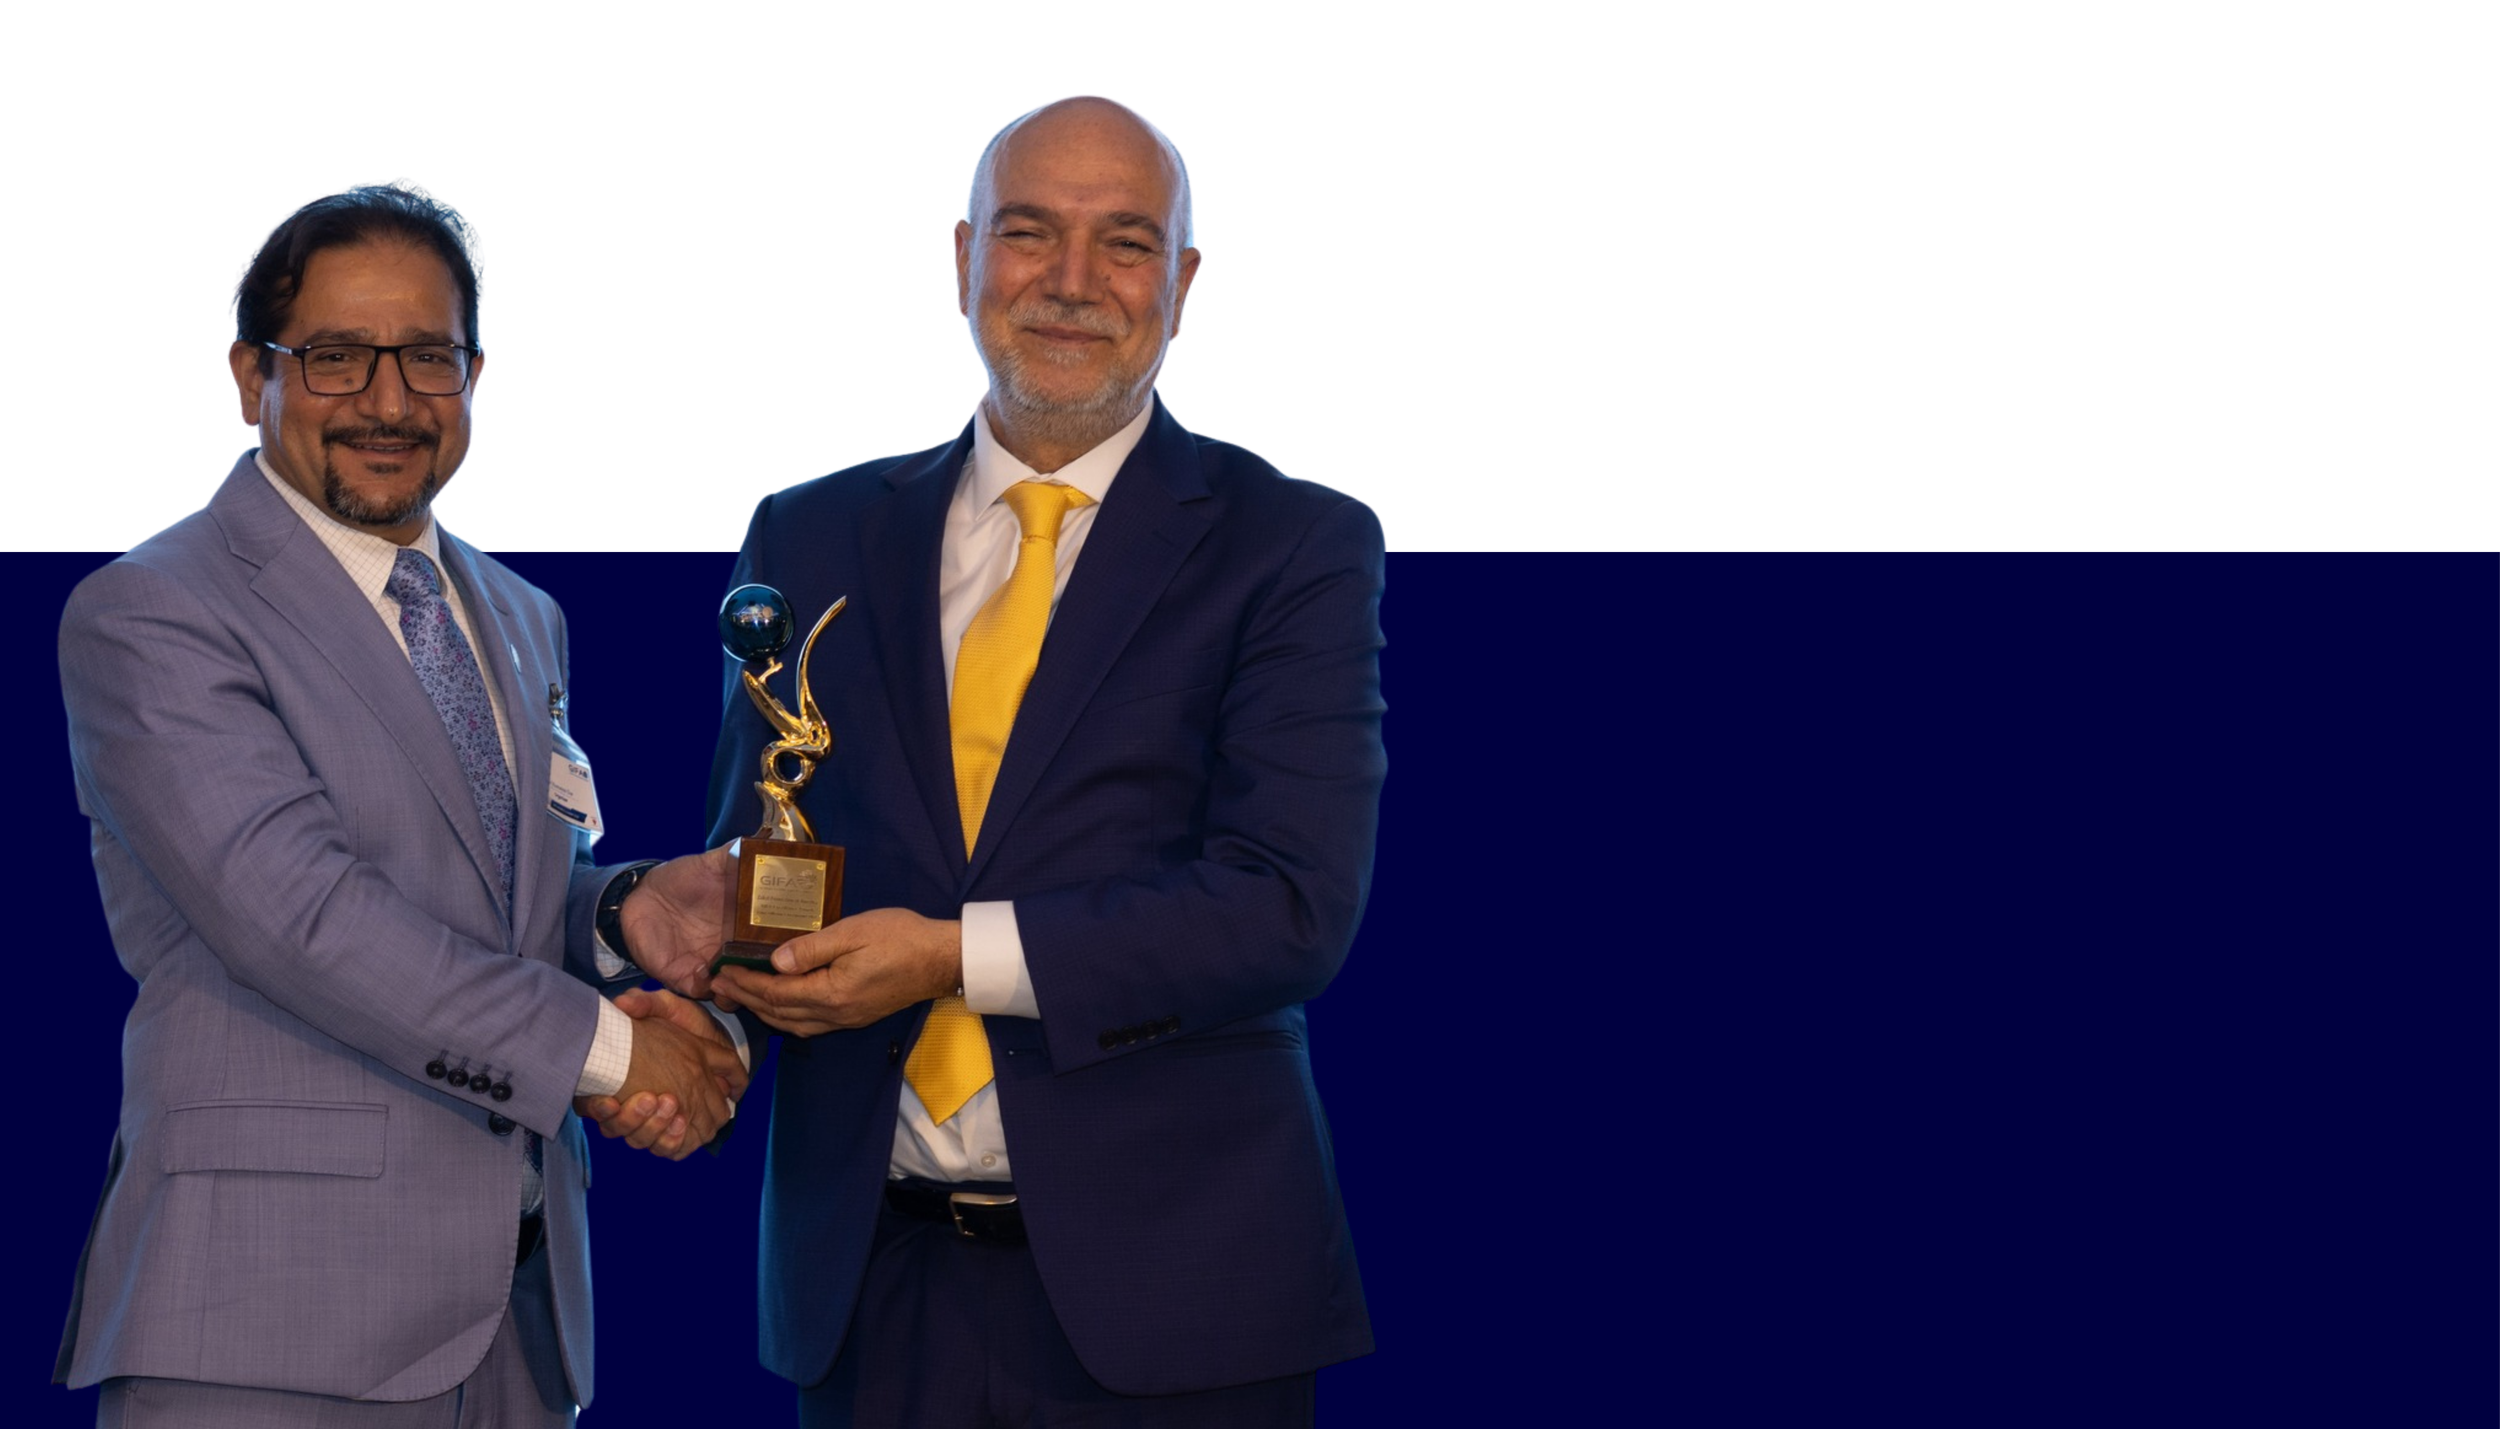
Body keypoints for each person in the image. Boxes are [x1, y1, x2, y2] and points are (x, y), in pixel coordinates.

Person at [596, 97, 1385, 1426]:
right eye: (1030, 233)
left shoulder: (1290, 545)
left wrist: (951, 957)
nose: (1072, 282)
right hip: (868, 1299)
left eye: (1124, 243)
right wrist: (702, 1020)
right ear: (965, 256)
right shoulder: (812, 532)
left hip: (1181, 1307)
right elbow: (762, 870)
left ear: (1181, 285)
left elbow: (1287, 907)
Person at [54, 184, 746, 1427]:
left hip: (517, 1321)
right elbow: (305, 919)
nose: (387, 401)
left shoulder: (521, 617)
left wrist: (626, 910)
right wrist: (614, 1051)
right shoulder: (153, 613)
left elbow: (477, 895)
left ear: (473, 373)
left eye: (428, 359)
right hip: (269, 1325)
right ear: (248, 374)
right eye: (334, 358)